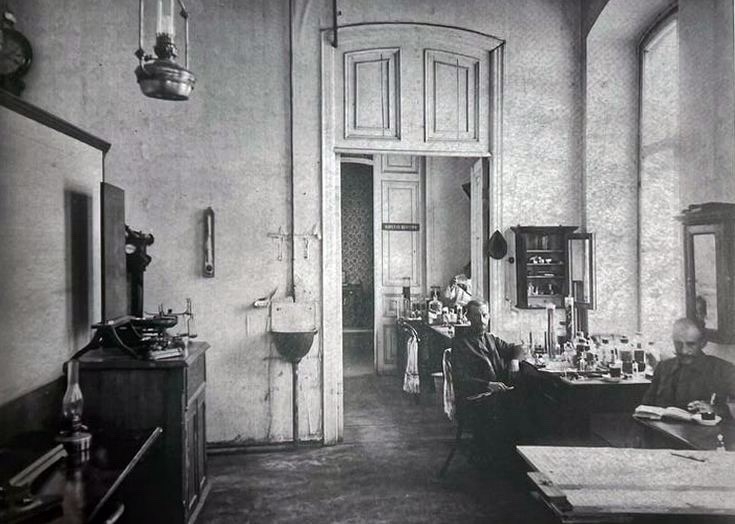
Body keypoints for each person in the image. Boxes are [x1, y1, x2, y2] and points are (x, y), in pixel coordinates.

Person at [450, 299, 530, 467]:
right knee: (519, 408)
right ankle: (502, 462)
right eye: (477, 316)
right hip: (473, 399)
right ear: (468, 317)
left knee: (530, 401)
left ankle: (514, 460)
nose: (482, 320)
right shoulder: (460, 344)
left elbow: (517, 349)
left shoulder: (490, 339)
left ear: (489, 316)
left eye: (485, 315)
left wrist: (514, 361)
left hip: (494, 395)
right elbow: (461, 379)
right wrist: (488, 385)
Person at [641, 318, 735, 417]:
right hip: (662, 426)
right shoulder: (664, 367)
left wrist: (714, 409)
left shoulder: (724, 370)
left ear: (703, 343)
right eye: (678, 344)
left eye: (691, 344)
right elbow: (646, 407)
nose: (684, 351)